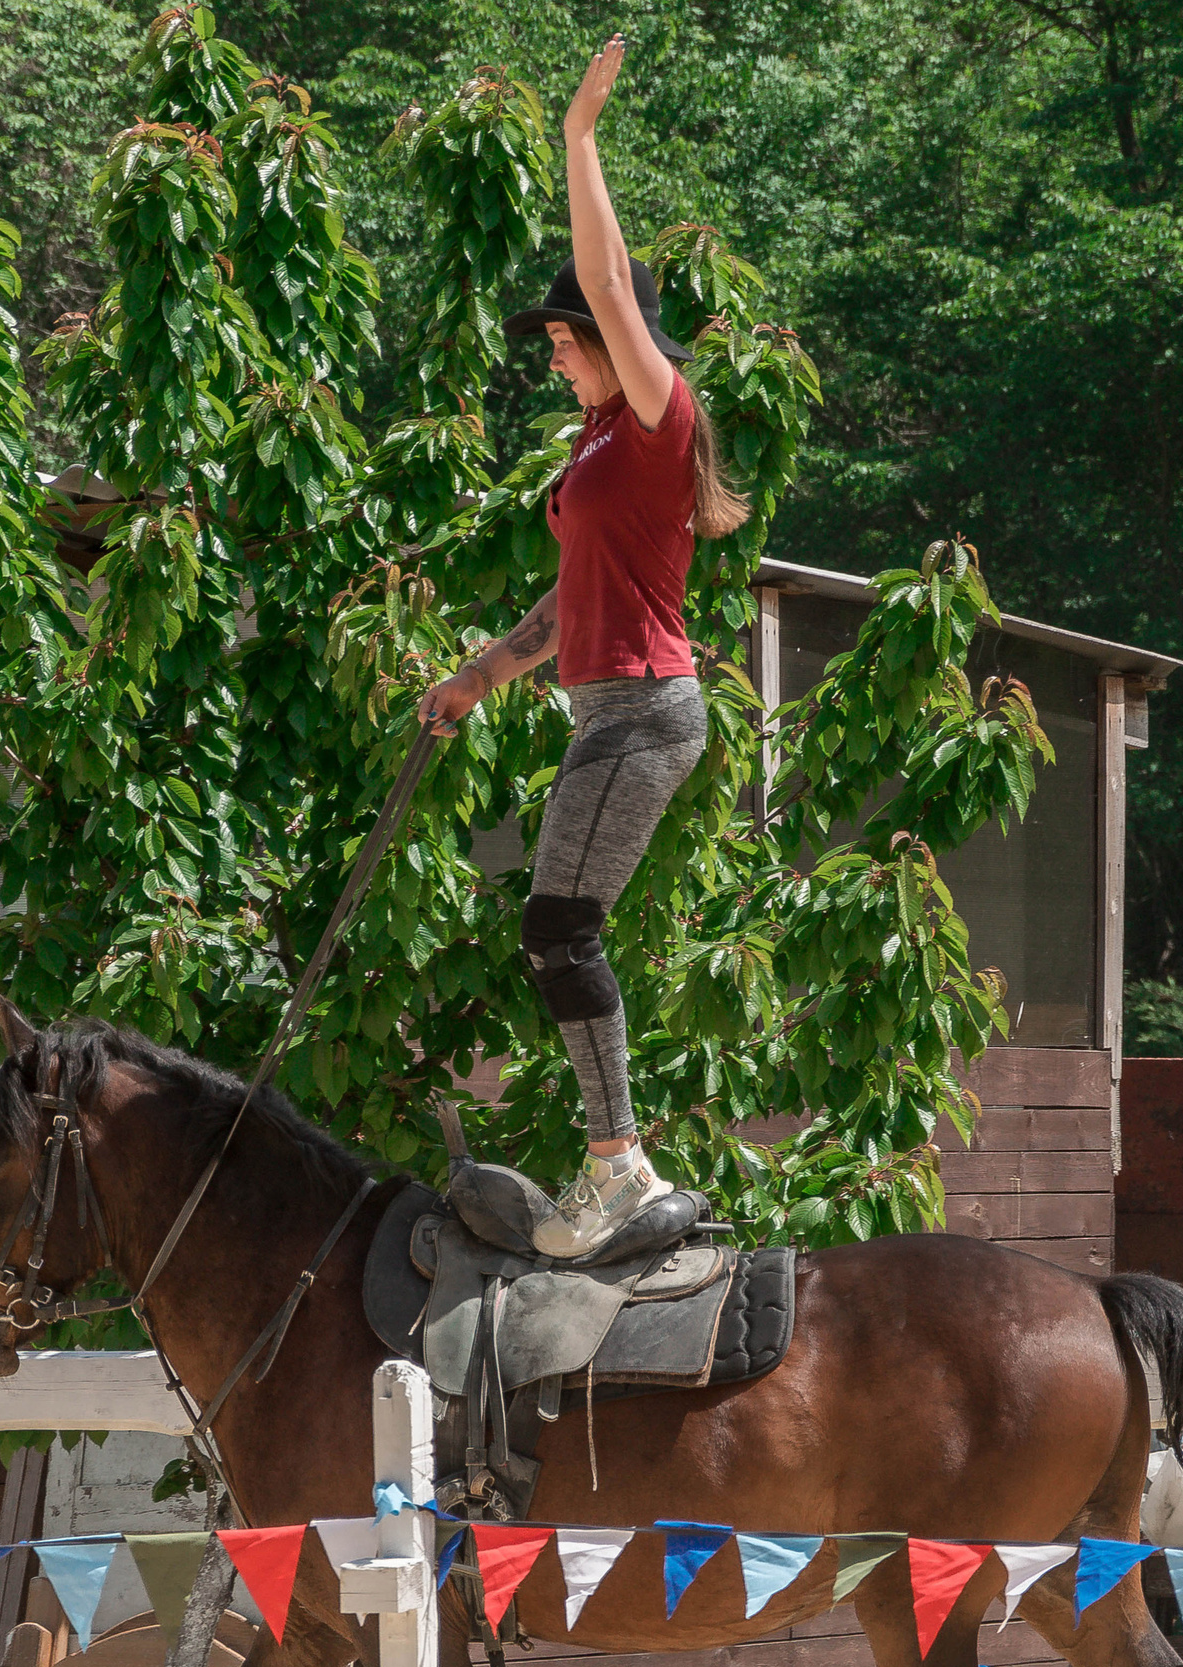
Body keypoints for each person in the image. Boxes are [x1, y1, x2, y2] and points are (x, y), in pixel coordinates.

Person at [417, 34, 751, 1260]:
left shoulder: (661, 420)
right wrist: (475, 678)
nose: (555, 348)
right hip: (597, 707)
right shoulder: (595, 451)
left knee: (560, 931)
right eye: (554, 338)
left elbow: (612, 288)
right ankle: (615, 1158)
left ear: (627, 346)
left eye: (565, 336)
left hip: (648, 712)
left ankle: (621, 1164)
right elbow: (566, 606)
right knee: (553, 931)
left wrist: (579, 139)